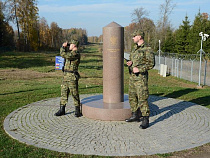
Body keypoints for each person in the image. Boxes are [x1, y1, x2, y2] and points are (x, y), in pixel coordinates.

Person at [125, 30, 155, 129]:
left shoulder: (147, 48)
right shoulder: (134, 49)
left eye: (134, 36)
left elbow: (151, 63)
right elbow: (133, 62)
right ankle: (135, 115)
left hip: (141, 78)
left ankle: (145, 118)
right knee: (132, 97)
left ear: (139, 36)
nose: (133, 38)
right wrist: (129, 63)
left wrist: (139, 69)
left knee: (142, 98)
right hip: (132, 78)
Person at [55, 39, 82, 117]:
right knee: (64, 92)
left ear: (74, 45)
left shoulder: (75, 53)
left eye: (70, 44)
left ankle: (77, 110)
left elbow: (63, 54)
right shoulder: (71, 53)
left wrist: (63, 47)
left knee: (74, 93)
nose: (69, 45)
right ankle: (62, 109)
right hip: (66, 76)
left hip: (72, 77)